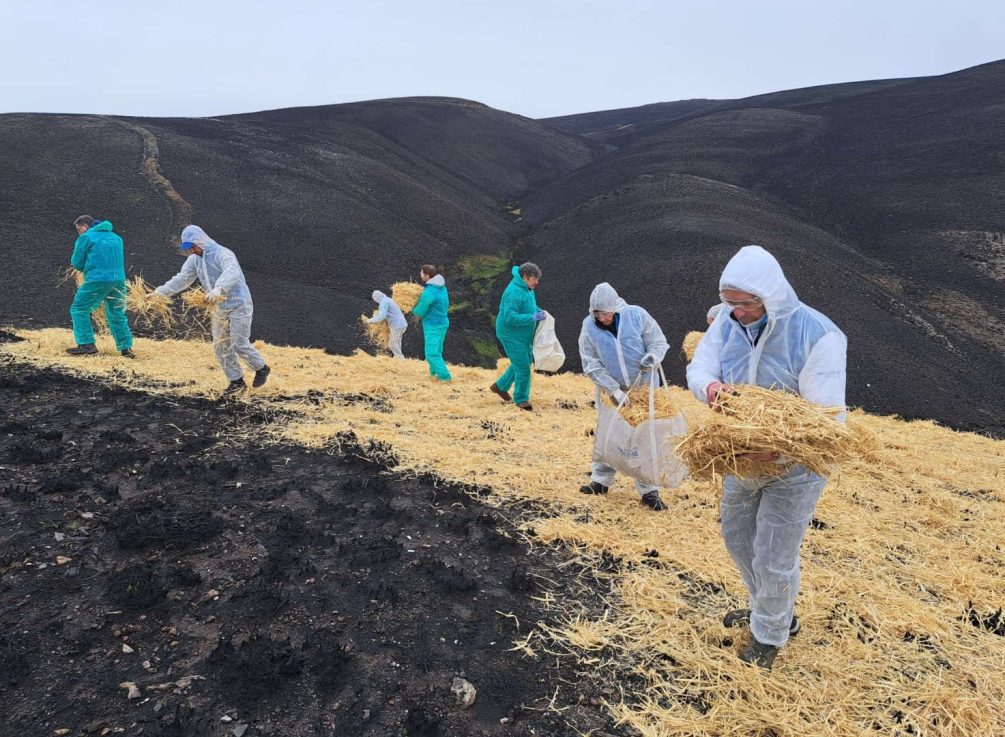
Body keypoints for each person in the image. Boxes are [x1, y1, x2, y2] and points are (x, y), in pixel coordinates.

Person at [686, 245, 847, 670]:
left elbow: (825, 418)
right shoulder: (726, 321)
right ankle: (769, 609)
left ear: (769, 297)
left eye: (744, 304)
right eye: (729, 303)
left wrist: (782, 448)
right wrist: (712, 390)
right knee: (738, 538)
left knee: (774, 553)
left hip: (795, 466)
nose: (735, 312)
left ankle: (770, 634)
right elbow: (700, 367)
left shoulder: (818, 335)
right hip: (743, 458)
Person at [577, 282, 670, 511]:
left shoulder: (637, 316)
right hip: (611, 392)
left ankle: (649, 490)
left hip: (643, 390)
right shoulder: (589, 327)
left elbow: (658, 342)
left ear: (615, 307)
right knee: (609, 435)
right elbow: (590, 363)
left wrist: (652, 357)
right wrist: (613, 389)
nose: (602, 318)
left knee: (644, 438)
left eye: (605, 313)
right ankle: (600, 481)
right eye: (596, 313)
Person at [153, 225, 270, 395]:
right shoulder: (194, 260)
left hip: (238, 303)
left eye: (192, 246)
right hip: (219, 306)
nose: (191, 251)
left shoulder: (223, 254)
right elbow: (182, 279)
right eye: (188, 248)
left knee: (238, 343)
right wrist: (159, 293)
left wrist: (218, 289)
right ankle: (236, 382)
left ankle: (261, 368)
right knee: (220, 345)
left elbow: (232, 272)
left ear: (200, 241)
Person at [66, 215, 135, 358]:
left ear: (84, 226)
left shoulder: (86, 237)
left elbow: (77, 262)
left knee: (79, 309)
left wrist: (84, 267)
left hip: (97, 279)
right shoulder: (116, 238)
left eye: (79, 229)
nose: (79, 233)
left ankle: (86, 344)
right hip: (119, 280)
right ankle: (126, 347)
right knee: (117, 313)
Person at [490, 263, 546, 411]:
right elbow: (510, 317)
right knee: (523, 367)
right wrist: (532, 317)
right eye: (534, 279)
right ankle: (521, 399)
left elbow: (530, 306)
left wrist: (539, 312)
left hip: (522, 335)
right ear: (525, 277)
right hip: (510, 335)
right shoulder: (513, 292)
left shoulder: (528, 289)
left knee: (524, 361)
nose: (537, 282)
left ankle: (500, 386)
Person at [412, 264, 451, 382]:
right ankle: (434, 374)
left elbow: (421, 311)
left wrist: (412, 309)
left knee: (431, 353)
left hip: (433, 324)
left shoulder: (429, 292)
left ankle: (445, 377)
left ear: (427, 276)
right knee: (437, 350)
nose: (420, 274)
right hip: (443, 321)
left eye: (421, 273)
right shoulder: (442, 287)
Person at [368, 290, 407, 359]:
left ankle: (400, 358)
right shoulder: (389, 299)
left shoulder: (383, 302)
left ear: (377, 298)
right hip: (402, 324)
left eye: (375, 300)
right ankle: (398, 357)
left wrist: (371, 320)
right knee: (397, 341)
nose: (376, 301)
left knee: (392, 343)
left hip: (396, 325)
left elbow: (382, 315)